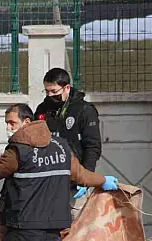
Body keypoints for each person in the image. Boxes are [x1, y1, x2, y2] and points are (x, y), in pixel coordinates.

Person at [35, 68, 103, 219]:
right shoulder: (42, 109)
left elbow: (92, 147)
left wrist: (86, 177)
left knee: (76, 223)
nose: (50, 95)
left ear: (67, 88)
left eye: (54, 91)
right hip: (47, 181)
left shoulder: (84, 110)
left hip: (74, 180)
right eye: (47, 91)